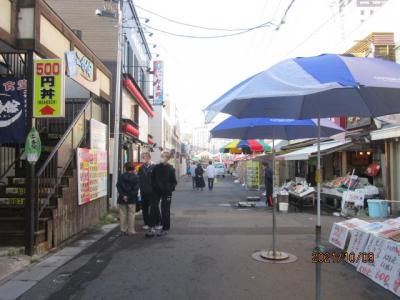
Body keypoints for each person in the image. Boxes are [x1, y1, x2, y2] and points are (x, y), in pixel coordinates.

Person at [150, 151, 177, 236]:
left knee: (165, 210)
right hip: (156, 191)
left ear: (168, 158)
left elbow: (174, 181)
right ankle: (152, 227)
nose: (163, 158)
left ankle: (165, 228)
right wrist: (154, 187)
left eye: (165, 157)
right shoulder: (156, 167)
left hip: (167, 192)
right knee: (153, 207)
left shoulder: (171, 168)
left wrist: (170, 188)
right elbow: (152, 178)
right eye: (162, 156)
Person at [116, 162, 139, 235]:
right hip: (132, 199)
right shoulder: (136, 177)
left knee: (123, 214)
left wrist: (123, 195)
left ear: (125, 168)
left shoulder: (121, 176)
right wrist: (129, 196)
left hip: (122, 198)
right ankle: (131, 230)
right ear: (133, 168)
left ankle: (123, 230)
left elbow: (118, 186)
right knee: (131, 214)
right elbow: (136, 189)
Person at [138, 152, 159, 231]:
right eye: (143, 158)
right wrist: (139, 189)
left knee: (155, 207)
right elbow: (139, 178)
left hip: (153, 191)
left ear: (149, 158)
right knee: (145, 208)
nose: (144, 159)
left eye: (146, 157)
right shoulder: (141, 168)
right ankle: (146, 223)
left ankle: (156, 223)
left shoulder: (155, 167)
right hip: (144, 191)